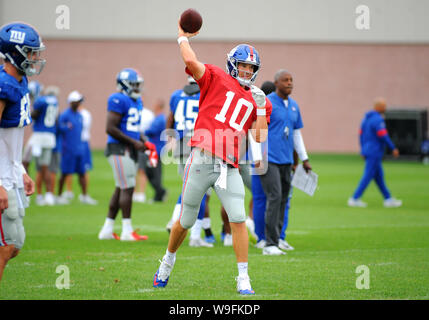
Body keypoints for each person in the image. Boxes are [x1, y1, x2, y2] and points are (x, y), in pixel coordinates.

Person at [153, 22, 272, 295]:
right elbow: (191, 61)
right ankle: (167, 262)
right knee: (185, 219)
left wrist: (263, 108)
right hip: (202, 158)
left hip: (228, 166)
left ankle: (243, 277)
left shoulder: (257, 97)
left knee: (239, 218)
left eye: (251, 68)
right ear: (233, 65)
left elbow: (260, 137)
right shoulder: (216, 76)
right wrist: (182, 38)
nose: (247, 71)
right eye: (243, 66)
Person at [0, 22, 45, 282]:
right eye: (30, 52)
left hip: (11, 170)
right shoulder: (4, 84)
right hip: (1, 175)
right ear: (14, 53)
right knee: (5, 246)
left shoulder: (20, 80)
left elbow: (12, 137)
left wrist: (21, 170)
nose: (35, 58)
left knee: (15, 244)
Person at [98, 68, 157, 241]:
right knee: (128, 187)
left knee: (120, 188)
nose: (137, 88)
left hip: (128, 149)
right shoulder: (118, 99)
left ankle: (107, 230)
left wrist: (144, 141)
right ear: (124, 84)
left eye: (138, 84)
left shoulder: (136, 101)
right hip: (118, 149)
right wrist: (134, 142)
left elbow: (131, 128)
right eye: (134, 84)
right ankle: (126, 230)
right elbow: (110, 128)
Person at [257, 70, 312, 256]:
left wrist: (304, 159)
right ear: (276, 83)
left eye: (291, 80)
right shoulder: (267, 102)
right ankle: (269, 243)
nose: (289, 83)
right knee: (274, 196)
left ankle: (278, 238)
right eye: (285, 80)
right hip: (268, 158)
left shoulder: (294, 106)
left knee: (283, 199)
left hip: (286, 160)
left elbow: (296, 134)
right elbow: (255, 130)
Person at [348, 98, 402, 208]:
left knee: (378, 176)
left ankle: (388, 198)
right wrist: (393, 148)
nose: (385, 108)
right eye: (383, 106)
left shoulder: (365, 119)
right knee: (368, 175)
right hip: (375, 151)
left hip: (368, 150)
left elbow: (361, 135)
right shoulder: (378, 120)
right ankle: (355, 198)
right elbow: (383, 135)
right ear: (378, 107)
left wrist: (363, 149)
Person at [56, 91, 96, 205]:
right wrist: (66, 128)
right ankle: (59, 196)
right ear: (71, 102)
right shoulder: (65, 115)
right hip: (68, 149)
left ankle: (84, 196)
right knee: (64, 173)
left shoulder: (80, 115)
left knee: (82, 173)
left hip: (79, 148)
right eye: (77, 101)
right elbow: (59, 129)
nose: (79, 103)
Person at [27, 85, 59, 206]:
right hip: (50, 136)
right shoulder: (54, 101)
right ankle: (49, 195)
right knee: (45, 167)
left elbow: (34, 115)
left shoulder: (40, 101)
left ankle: (27, 192)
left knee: (25, 162)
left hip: (39, 136)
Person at [144, 99, 167, 203]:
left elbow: (151, 131)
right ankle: (160, 192)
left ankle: (160, 193)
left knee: (153, 172)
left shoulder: (160, 119)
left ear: (159, 107)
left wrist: (143, 131)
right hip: (154, 149)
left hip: (155, 150)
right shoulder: (159, 118)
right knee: (151, 171)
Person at [133, 105, 155, 203]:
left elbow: (151, 129)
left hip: (143, 144)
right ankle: (133, 193)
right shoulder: (130, 110)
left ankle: (141, 193)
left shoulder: (148, 114)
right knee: (132, 169)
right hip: (131, 143)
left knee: (142, 170)